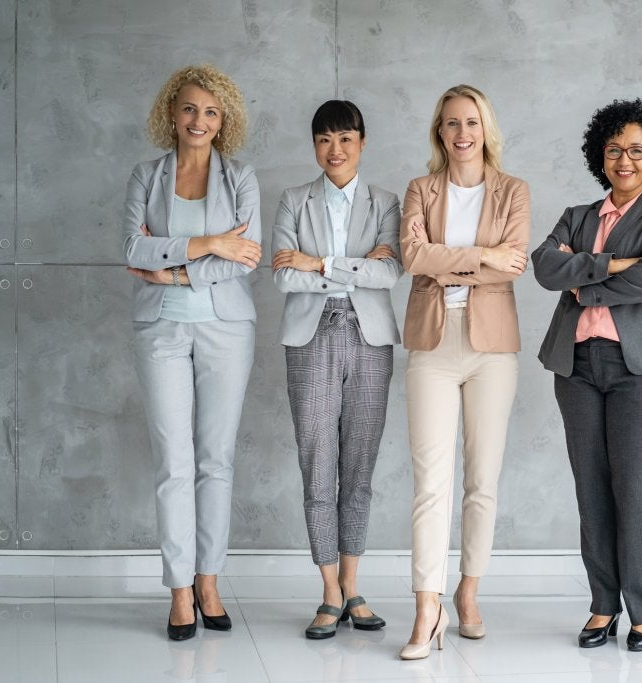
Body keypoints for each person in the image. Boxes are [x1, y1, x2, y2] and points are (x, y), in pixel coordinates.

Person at [531, 99, 642, 652]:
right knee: (591, 489)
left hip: (640, 371)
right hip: (575, 367)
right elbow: (544, 266)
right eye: (615, 149)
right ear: (601, 155)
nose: (625, 159)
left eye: (637, 151)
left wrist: (586, 279)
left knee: (636, 487)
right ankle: (603, 605)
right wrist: (614, 264)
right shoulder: (578, 215)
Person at [123, 64, 261, 641]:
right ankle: (179, 589)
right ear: (170, 114)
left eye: (209, 111)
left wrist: (172, 269)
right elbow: (133, 248)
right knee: (173, 464)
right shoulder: (145, 176)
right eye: (188, 109)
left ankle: (209, 580)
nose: (198, 120)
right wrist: (207, 244)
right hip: (161, 335)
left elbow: (246, 257)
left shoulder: (242, 179)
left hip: (227, 332)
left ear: (222, 119)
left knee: (215, 460)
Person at [397, 84, 530, 660]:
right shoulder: (420, 190)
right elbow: (412, 258)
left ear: (485, 127)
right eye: (451, 123)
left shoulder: (513, 191)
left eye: (471, 121)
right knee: (430, 482)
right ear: (439, 132)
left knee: (482, 480)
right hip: (431, 343)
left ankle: (468, 592)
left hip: (491, 348)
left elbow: (515, 264)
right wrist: (482, 257)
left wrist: (450, 263)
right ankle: (428, 607)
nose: (462, 133)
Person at [271, 100, 403, 639]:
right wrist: (355, 269)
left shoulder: (386, 202)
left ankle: (353, 585)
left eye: (345, 138)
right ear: (314, 145)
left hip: (370, 340)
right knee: (316, 461)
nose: (336, 149)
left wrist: (320, 263)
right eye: (325, 139)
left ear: (363, 142)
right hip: (310, 337)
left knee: (360, 466)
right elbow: (283, 275)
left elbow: (390, 272)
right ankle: (328, 591)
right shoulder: (293, 200)